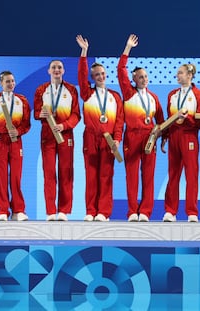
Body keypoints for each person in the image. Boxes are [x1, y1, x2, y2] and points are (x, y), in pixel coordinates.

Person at [76, 35, 124, 222]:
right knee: (91, 175)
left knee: (106, 175)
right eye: (97, 74)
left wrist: (117, 140)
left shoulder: (115, 96)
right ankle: (90, 211)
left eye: (103, 74)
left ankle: (103, 212)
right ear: (92, 77)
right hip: (91, 137)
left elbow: (120, 121)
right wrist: (84, 52)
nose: (101, 76)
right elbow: (81, 75)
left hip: (109, 140)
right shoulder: (87, 93)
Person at [117, 34, 164, 222]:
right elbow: (121, 70)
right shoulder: (128, 93)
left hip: (149, 137)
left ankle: (145, 211)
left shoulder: (153, 98)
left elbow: (161, 121)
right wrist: (127, 48)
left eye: (145, 76)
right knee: (132, 176)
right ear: (134, 79)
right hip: (132, 136)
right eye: (140, 77)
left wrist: (162, 138)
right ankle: (132, 212)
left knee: (149, 176)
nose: (144, 79)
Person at [34, 60, 81, 221]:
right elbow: (36, 114)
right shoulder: (41, 90)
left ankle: (63, 210)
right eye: (53, 67)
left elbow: (76, 115)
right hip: (47, 136)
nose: (56, 70)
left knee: (66, 173)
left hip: (65, 135)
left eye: (59, 67)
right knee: (49, 173)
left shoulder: (71, 90)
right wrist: (40, 114)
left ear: (64, 71)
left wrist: (64, 125)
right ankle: (50, 211)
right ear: (48, 71)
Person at [0, 70, 31, 221]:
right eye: (7, 81)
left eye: (13, 81)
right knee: (0, 177)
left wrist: (18, 131)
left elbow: (27, 124)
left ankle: (18, 211)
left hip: (16, 142)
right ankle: (3, 211)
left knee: (16, 177)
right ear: (1, 83)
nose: (11, 84)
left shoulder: (21, 100)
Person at [162, 63, 200, 222]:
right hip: (174, 135)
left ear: (189, 75)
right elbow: (168, 119)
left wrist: (186, 119)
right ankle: (170, 210)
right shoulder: (172, 95)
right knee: (173, 174)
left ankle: (192, 212)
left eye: (180, 73)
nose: (177, 76)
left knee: (191, 174)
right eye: (177, 73)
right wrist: (165, 136)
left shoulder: (199, 95)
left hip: (189, 135)